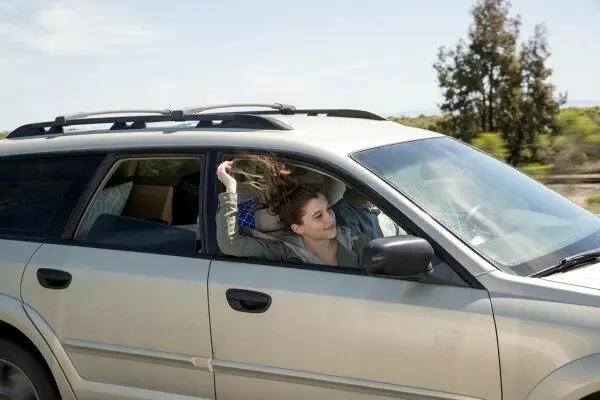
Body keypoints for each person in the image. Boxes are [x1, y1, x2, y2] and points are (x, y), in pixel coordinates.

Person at [215, 156, 370, 267]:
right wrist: (230, 187)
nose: (329, 218)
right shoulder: (285, 250)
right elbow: (231, 244)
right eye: (318, 216)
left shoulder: (354, 240)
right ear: (298, 228)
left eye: (328, 208)